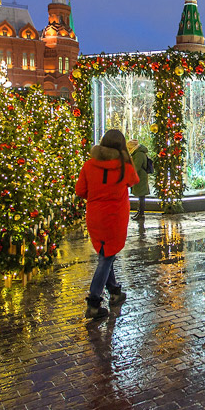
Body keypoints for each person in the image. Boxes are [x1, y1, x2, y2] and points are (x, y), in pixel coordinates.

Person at [76, 129, 138, 320]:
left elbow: (80, 190)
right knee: (106, 257)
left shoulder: (89, 165)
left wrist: (96, 197)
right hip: (115, 216)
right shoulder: (124, 167)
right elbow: (134, 182)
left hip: (95, 215)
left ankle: (115, 292)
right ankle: (94, 302)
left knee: (106, 253)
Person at [127, 139, 150, 219]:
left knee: (141, 195)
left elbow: (136, 167)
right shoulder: (138, 153)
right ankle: (140, 212)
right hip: (140, 176)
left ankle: (141, 213)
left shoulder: (138, 154)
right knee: (141, 196)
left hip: (140, 177)